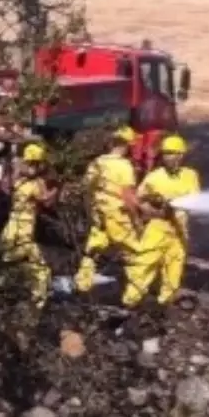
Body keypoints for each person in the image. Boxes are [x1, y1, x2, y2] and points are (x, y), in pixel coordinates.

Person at [123, 134, 201, 307]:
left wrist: (179, 204)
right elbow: (138, 200)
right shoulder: (154, 177)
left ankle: (165, 306)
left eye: (173, 153)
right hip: (158, 228)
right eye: (166, 153)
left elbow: (196, 200)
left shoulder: (191, 176)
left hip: (179, 230)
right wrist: (154, 210)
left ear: (181, 155)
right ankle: (129, 303)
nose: (169, 157)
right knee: (143, 265)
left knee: (174, 269)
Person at [74, 125, 141, 293]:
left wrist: (91, 212)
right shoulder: (124, 166)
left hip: (99, 216)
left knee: (92, 251)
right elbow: (128, 198)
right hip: (118, 217)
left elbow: (85, 189)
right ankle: (137, 292)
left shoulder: (97, 162)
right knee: (133, 253)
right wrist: (137, 221)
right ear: (127, 145)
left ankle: (82, 286)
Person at [1, 141, 54, 307]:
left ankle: (6, 289)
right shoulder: (35, 182)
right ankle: (37, 297)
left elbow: (6, 188)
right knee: (38, 265)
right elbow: (45, 201)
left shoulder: (19, 179)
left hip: (13, 224)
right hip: (23, 226)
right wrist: (55, 190)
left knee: (8, 255)